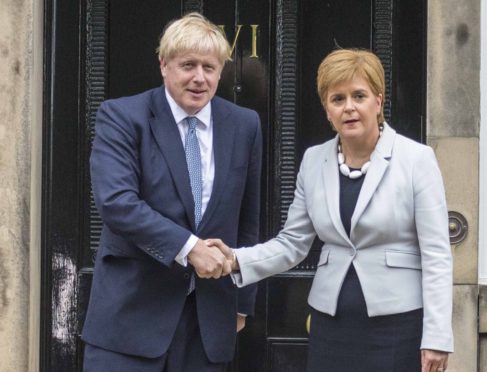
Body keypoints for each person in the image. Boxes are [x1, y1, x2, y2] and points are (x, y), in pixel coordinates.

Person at [208, 48, 453, 372]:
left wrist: (436, 336)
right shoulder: (314, 160)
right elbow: (292, 243)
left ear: (378, 102)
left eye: (359, 95)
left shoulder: (416, 160)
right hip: (331, 325)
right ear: (327, 109)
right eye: (337, 98)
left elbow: (436, 254)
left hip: (398, 326)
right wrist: (236, 259)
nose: (349, 107)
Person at [81, 12, 262, 372]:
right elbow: (117, 203)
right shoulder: (122, 116)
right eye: (188, 65)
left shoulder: (244, 125)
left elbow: (248, 219)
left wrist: (242, 300)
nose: (199, 77)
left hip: (208, 323)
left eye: (209, 67)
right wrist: (191, 247)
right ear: (164, 65)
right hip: (130, 322)